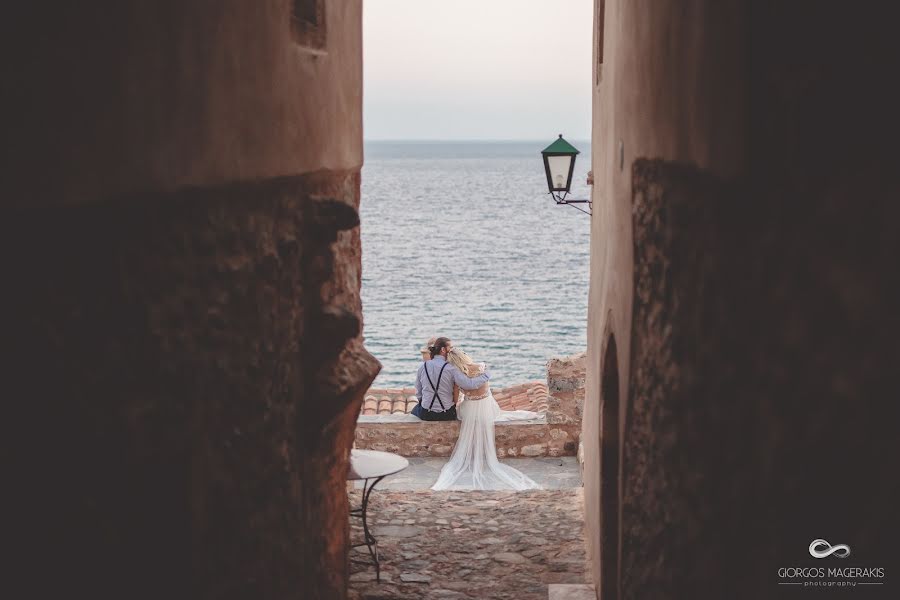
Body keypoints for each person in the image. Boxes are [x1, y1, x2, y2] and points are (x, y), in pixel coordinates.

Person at [431, 347, 541, 491]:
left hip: (469, 410)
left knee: (460, 411)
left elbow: (456, 398)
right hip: (487, 408)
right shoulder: (481, 367)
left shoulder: (456, 375)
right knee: (500, 412)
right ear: (464, 356)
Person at [412, 337, 489, 422]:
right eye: (451, 347)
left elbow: (418, 391)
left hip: (426, 414)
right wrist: (486, 375)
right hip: (446, 414)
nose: (452, 349)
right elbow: (469, 384)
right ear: (443, 350)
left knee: (414, 409)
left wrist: (425, 402)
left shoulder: (423, 367)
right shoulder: (452, 368)